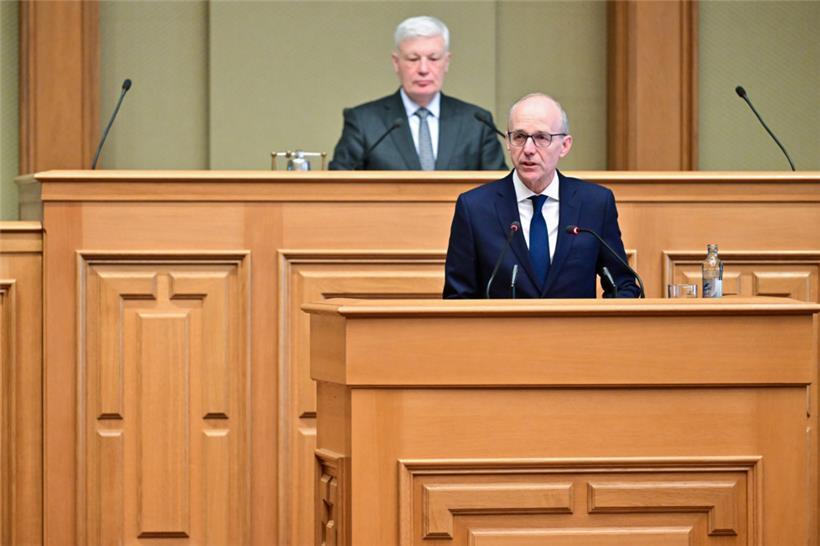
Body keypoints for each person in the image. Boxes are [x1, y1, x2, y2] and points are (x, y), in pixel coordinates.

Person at [443, 93, 640, 299]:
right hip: (503, 331)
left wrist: (599, 328)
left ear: (565, 145)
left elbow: (623, 286)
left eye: (541, 138)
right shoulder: (474, 208)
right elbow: (457, 298)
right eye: (519, 137)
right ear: (508, 142)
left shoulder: (595, 204)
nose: (528, 149)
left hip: (576, 331)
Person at [329, 16, 507, 171]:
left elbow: (500, 190)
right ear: (396, 62)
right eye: (413, 59)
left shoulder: (476, 122)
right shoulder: (363, 121)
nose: (423, 69)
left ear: (446, 62)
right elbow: (338, 183)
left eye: (433, 58)